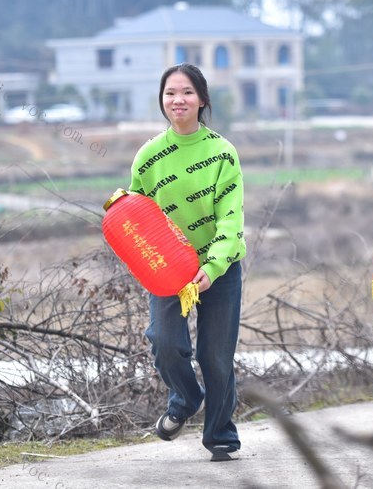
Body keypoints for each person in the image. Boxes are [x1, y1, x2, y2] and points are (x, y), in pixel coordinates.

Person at [129, 63, 247, 461]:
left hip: (220, 269)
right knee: (163, 342)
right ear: (162, 101)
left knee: (215, 355)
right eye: (170, 93)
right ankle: (185, 397)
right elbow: (135, 219)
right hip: (166, 271)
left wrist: (211, 269)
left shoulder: (221, 153)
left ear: (202, 100)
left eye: (187, 93)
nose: (178, 100)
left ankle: (220, 435)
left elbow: (231, 221)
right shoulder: (148, 156)